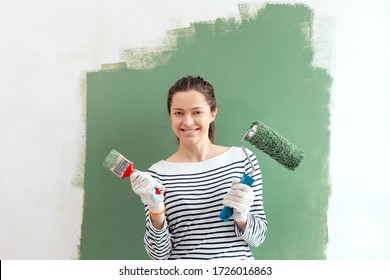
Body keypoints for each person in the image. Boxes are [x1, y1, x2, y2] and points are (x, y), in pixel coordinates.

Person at [130, 75, 267, 260]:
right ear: (170, 115)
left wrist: (242, 216)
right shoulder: (157, 175)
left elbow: (258, 238)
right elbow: (158, 255)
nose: (187, 122)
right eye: (179, 113)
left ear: (212, 114)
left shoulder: (243, 160)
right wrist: (156, 210)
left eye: (197, 112)